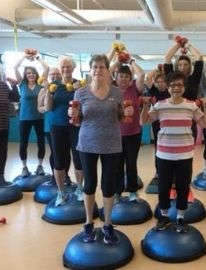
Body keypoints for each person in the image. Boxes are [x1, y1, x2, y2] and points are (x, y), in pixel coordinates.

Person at [140, 71, 206, 233]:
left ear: (184, 87)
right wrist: (144, 106)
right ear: (168, 87)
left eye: (179, 85)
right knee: (164, 186)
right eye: (172, 85)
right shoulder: (160, 104)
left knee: (182, 187)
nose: (176, 88)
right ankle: (164, 216)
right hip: (164, 153)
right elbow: (143, 122)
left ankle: (180, 217)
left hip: (185, 154)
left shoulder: (191, 105)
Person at [69, 54, 127, 244]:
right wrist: (73, 115)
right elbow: (77, 123)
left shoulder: (117, 93)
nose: (98, 70)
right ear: (90, 69)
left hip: (112, 143)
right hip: (87, 143)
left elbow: (120, 118)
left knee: (108, 185)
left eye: (102, 67)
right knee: (90, 184)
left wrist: (125, 113)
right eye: (94, 67)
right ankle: (88, 223)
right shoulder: (81, 93)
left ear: (108, 69)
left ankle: (108, 223)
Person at [44, 56, 83, 207]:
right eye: (63, 67)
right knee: (59, 160)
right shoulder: (54, 85)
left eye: (68, 67)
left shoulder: (79, 85)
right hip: (57, 127)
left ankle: (79, 189)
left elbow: (85, 106)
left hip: (76, 126)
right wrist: (48, 91)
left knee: (78, 159)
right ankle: (61, 192)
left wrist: (80, 92)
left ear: (73, 69)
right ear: (60, 70)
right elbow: (48, 108)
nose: (66, 69)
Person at [111, 55, 145, 203]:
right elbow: (107, 72)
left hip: (133, 134)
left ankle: (132, 191)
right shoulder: (111, 90)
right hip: (115, 135)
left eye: (126, 76)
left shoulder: (134, 89)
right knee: (117, 165)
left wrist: (130, 61)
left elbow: (142, 74)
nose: (123, 79)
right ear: (116, 77)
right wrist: (118, 61)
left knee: (131, 164)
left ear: (130, 78)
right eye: (120, 76)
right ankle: (117, 192)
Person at [13, 51, 49, 177]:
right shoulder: (21, 84)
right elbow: (15, 67)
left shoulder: (40, 83)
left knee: (40, 142)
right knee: (23, 143)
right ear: (25, 75)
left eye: (33, 73)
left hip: (39, 117)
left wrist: (37, 57)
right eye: (28, 73)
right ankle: (24, 167)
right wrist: (24, 57)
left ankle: (40, 166)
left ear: (36, 74)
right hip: (24, 118)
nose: (31, 75)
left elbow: (47, 68)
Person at [37, 67, 72, 185]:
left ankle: (65, 175)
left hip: (65, 124)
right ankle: (54, 177)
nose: (55, 76)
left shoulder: (63, 88)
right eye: (52, 74)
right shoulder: (44, 90)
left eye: (57, 74)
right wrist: (46, 108)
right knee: (55, 153)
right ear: (49, 76)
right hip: (50, 125)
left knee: (66, 152)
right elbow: (40, 107)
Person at [145, 66, 170, 181]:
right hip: (156, 125)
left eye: (163, 81)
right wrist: (157, 68)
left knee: (169, 147)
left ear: (166, 83)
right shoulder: (153, 91)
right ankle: (158, 171)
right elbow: (148, 77)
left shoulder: (170, 92)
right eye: (158, 82)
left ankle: (170, 171)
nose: (160, 84)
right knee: (158, 148)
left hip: (169, 124)